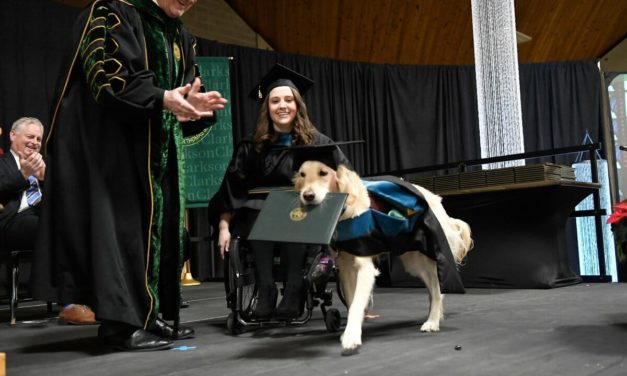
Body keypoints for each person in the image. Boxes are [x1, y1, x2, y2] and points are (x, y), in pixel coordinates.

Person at [32, 0, 227, 351]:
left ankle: (149, 316)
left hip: (153, 147)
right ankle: (120, 326)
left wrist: (190, 107)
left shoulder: (180, 34)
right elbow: (104, 77)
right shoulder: (113, 11)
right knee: (119, 232)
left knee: (154, 232)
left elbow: (180, 93)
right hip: (109, 149)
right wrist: (162, 98)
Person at [209, 64, 351, 320]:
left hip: (303, 214)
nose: (282, 106)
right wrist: (223, 227)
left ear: (298, 106)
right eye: (275, 101)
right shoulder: (251, 146)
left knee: (292, 210)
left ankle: (295, 288)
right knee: (257, 211)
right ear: (268, 107)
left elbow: (346, 178)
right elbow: (231, 188)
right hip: (257, 215)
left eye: (288, 100)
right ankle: (266, 290)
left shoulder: (317, 144)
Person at [0, 117, 97, 325]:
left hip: (42, 216)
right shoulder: (2, 163)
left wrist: (47, 180)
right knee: (54, 228)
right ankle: (68, 303)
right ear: (12, 135)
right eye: (30, 136)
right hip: (13, 222)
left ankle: (91, 297)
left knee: (80, 225)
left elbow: (64, 200)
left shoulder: (46, 165)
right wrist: (24, 174)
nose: (34, 142)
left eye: (38, 139)